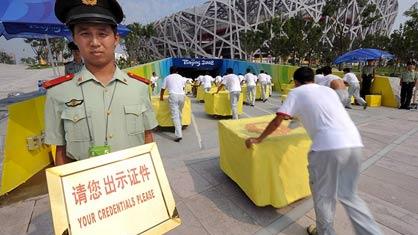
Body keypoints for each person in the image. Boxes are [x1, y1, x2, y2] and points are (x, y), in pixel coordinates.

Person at [245, 67, 383, 235]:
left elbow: (278, 120)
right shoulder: (328, 91)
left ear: (296, 82)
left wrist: (258, 139)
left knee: (324, 195)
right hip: (354, 143)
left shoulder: (296, 93)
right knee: (350, 196)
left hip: (327, 148)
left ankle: (325, 232)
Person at [44, 0, 158, 165]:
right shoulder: (58, 93)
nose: (95, 42)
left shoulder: (138, 88)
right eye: (85, 34)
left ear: (115, 38)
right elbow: (60, 151)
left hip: (132, 182)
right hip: (89, 187)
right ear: (74, 39)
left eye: (102, 33)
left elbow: (147, 137)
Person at [160, 67, 188, 142]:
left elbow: (163, 88)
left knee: (175, 115)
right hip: (182, 95)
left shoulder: (167, 77)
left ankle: (179, 134)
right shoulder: (181, 77)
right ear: (177, 71)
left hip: (173, 95)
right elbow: (183, 87)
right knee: (179, 113)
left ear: (170, 71)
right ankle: (179, 128)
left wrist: (161, 97)